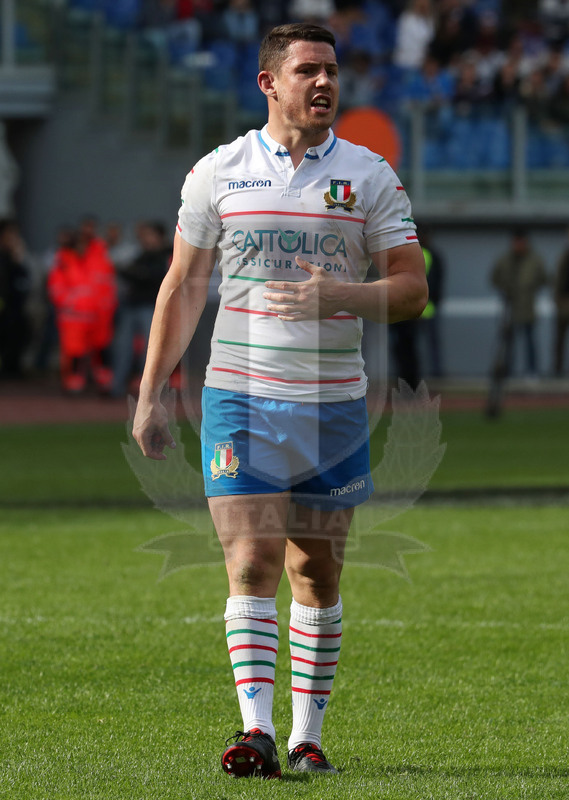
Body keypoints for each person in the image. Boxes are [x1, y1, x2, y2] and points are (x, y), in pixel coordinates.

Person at [133, 22, 427, 779]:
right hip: (241, 399)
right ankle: (255, 732)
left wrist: (341, 293)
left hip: (333, 407)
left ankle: (306, 737)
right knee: (253, 558)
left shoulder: (368, 175)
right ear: (268, 82)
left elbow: (410, 289)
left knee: (316, 574)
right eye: (307, 70)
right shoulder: (219, 171)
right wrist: (151, 394)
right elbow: (183, 285)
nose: (324, 82)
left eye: (330, 70)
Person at [111, 221, 171, 397]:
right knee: (122, 347)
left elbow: (150, 277)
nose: (144, 239)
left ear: (159, 236)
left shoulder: (166, 255)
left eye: (149, 235)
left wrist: (133, 273)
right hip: (132, 305)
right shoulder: (141, 255)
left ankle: (150, 391)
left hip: (152, 307)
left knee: (151, 350)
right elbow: (134, 274)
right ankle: (117, 387)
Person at [491, 228, 548, 378]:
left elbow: (544, 278)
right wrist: (505, 289)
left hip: (527, 307)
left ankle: (532, 372)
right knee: (508, 344)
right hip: (509, 308)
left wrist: (531, 289)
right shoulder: (505, 260)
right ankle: (507, 372)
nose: (518, 245)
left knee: (530, 342)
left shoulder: (535, 259)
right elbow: (494, 278)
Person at [553, 228, 569, 376]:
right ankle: (557, 371)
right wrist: (557, 299)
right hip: (563, 302)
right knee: (559, 339)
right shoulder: (563, 257)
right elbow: (557, 280)